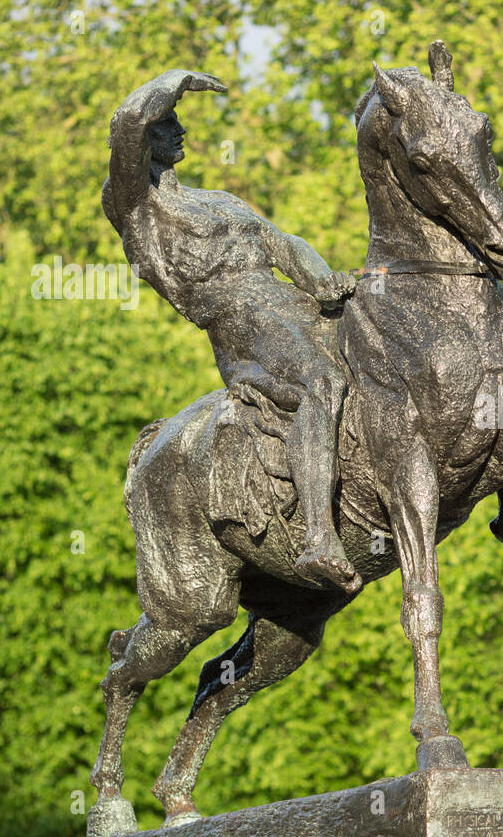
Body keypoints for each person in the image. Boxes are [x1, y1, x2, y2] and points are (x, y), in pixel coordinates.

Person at [103, 70, 360, 590]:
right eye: (166, 125)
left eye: (177, 122)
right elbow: (131, 118)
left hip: (291, 302)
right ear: (139, 147)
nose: (179, 131)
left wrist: (323, 279)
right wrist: (178, 81)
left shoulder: (221, 198)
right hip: (241, 325)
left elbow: (283, 243)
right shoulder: (134, 206)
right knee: (322, 382)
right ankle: (318, 539)